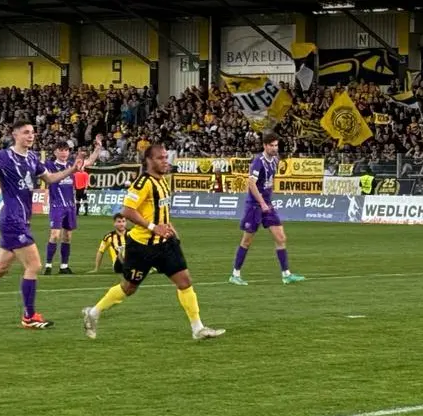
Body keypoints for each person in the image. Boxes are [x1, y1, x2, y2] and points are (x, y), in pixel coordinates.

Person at [80, 143, 223, 341]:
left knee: (184, 281)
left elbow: (159, 211)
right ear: (149, 160)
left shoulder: (163, 181)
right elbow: (127, 211)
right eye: (160, 158)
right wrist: (153, 228)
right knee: (128, 288)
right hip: (141, 247)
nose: (165, 161)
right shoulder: (142, 183)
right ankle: (93, 312)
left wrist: (170, 228)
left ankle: (197, 328)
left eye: (166, 157)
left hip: (165, 244)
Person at [0, 122, 81, 329]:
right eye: (26, 132)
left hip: (20, 219)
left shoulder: (33, 158)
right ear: (14, 135)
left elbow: (50, 178)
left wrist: (71, 170)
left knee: (1, 268)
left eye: (32, 132)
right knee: (34, 266)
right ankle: (29, 316)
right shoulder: (4, 157)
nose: (30, 136)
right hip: (13, 220)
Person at [229, 133, 303, 285]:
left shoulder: (275, 160)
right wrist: (262, 202)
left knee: (281, 238)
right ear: (265, 146)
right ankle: (235, 274)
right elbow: (251, 183)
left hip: (267, 204)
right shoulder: (258, 161)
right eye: (272, 145)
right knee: (247, 241)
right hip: (255, 206)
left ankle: (286, 274)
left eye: (276, 145)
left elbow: (269, 182)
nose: (275, 148)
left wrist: (268, 199)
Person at [44, 141, 78, 274]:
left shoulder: (72, 165)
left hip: (70, 206)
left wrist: (98, 148)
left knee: (68, 236)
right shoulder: (50, 165)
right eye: (61, 150)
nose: (64, 152)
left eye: (66, 150)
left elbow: (88, 162)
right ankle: (48, 265)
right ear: (55, 152)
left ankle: (64, 266)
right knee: (55, 235)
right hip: (57, 205)